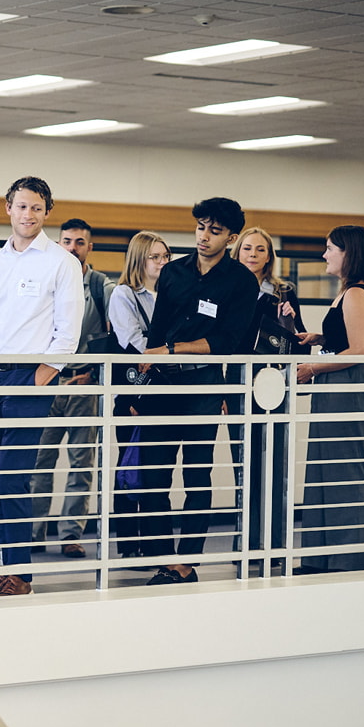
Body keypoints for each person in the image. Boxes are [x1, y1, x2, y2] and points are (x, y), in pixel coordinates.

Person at [0, 176, 83, 599]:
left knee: (14, 477)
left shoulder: (60, 262)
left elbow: (68, 334)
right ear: (8, 209)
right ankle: (5, 570)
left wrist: (39, 377)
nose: (28, 215)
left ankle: (21, 576)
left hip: (30, 377)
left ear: (46, 211)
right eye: (20, 206)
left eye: (36, 207)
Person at [140, 197, 259, 586]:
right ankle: (161, 558)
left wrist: (173, 350)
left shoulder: (241, 281)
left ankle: (186, 562)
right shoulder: (173, 272)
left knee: (196, 474)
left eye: (215, 230)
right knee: (153, 475)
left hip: (204, 382)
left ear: (232, 237)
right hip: (162, 383)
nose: (204, 236)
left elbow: (230, 339)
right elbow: (157, 332)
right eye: (200, 227)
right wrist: (146, 376)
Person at [293, 225, 364, 574]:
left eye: (330, 248)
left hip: (348, 383)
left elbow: (360, 351)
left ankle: (348, 559)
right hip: (335, 383)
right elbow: (346, 338)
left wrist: (313, 367)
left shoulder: (358, 295)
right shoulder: (346, 294)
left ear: (350, 253)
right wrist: (318, 337)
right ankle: (318, 558)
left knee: (345, 471)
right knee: (320, 469)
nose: (324, 254)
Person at [29, 218, 111, 558]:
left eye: (80, 242)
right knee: (40, 461)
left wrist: (93, 375)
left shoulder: (101, 285)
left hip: (83, 384)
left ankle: (71, 534)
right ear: (58, 244)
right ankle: (34, 531)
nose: (73, 248)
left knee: (81, 463)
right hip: (47, 383)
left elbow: (113, 336)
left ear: (89, 247)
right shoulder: (46, 278)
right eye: (67, 241)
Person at [231, 226, 305, 568]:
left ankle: (273, 542)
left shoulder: (283, 290)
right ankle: (244, 540)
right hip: (238, 381)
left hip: (273, 381)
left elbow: (297, 338)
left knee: (275, 462)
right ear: (238, 251)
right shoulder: (226, 285)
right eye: (247, 248)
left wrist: (291, 319)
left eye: (260, 250)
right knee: (244, 463)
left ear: (269, 256)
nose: (253, 255)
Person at [104, 230, 170, 558]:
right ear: (139, 260)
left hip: (165, 389)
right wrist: (170, 354)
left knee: (156, 469)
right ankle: (130, 545)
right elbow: (132, 340)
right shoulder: (124, 295)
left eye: (165, 256)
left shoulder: (171, 294)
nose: (162, 262)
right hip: (133, 393)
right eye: (155, 257)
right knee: (130, 467)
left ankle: (156, 545)